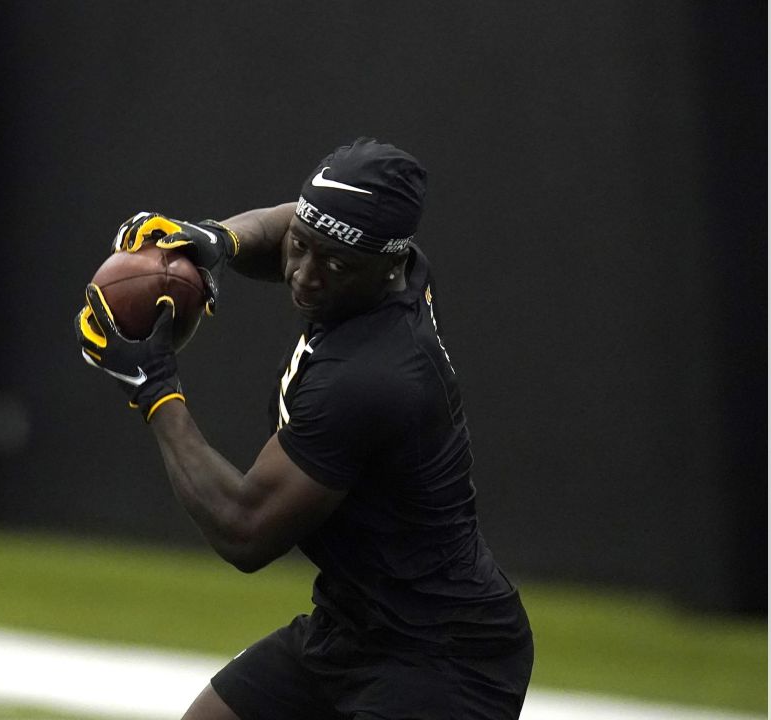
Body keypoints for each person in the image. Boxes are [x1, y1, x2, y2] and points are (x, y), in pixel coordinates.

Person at [74, 137, 533, 719]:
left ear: (390, 263)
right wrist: (219, 237)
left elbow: (245, 530)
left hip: (442, 658)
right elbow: (297, 222)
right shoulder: (393, 263)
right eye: (303, 249)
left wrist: (155, 392)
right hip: (353, 625)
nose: (303, 277)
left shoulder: (373, 376)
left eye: (335, 264)